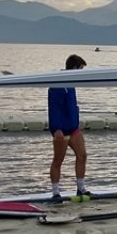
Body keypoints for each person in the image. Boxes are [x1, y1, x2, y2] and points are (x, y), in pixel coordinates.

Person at [48, 54, 89, 202]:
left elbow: (71, 105)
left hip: (73, 127)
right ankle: (55, 192)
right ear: (74, 67)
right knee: (58, 160)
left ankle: (80, 187)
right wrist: (56, 128)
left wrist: (76, 119)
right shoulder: (58, 83)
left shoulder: (71, 83)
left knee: (82, 155)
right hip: (61, 130)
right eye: (81, 68)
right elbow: (54, 108)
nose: (82, 72)